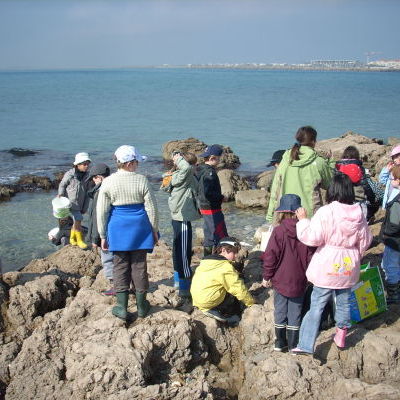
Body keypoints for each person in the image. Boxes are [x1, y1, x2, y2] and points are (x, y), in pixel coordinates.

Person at [291, 173, 372, 355]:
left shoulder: (326, 211)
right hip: (348, 263)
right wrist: (354, 255)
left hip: (328, 263)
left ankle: (305, 345)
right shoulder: (359, 212)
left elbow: (312, 238)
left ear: (332, 190)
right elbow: (365, 240)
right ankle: (341, 334)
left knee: (317, 305)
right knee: (343, 301)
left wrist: (303, 220)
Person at [97, 145, 159, 321]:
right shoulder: (142, 180)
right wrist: (154, 230)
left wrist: (102, 235)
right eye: (137, 161)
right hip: (140, 226)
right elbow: (152, 208)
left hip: (117, 227)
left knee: (120, 266)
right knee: (139, 266)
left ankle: (121, 307)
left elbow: (101, 211)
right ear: (130, 163)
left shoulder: (108, 181)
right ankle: (141, 307)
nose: (138, 164)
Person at [261, 194, 315, 352]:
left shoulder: (278, 231)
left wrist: (266, 276)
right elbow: (311, 256)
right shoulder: (306, 230)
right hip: (299, 279)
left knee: (280, 310)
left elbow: (271, 256)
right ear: (298, 212)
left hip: (280, 279)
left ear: (282, 212)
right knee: (295, 312)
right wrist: (310, 277)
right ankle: (293, 344)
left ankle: (280, 342)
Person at [266, 126, 334, 224]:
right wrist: (331, 162)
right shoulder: (319, 162)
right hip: (310, 217)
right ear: (314, 141)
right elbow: (329, 184)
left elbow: (275, 189)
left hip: (286, 215)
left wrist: (270, 215)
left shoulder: (285, 159)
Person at [191, 237, 254, 323]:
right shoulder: (225, 267)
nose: (236, 255)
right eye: (234, 252)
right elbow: (238, 288)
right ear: (223, 250)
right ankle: (225, 315)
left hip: (197, 300)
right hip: (208, 302)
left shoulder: (207, 261)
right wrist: (251, 303)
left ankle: (208, 307)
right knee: (234, 289)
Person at [166, 151, 201, 297]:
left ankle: (177, 280)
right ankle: (184, 285)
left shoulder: (175, 176)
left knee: (177, 248)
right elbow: (186, 169)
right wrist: (178, 158)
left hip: (178, 216)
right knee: (184, 251)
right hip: (182, 217)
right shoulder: (184, 174)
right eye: (194, 164)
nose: (196, 167)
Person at [86, 163, 115, 295]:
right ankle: (123, 284)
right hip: (114, 231)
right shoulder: (113, 187)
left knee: (108, 259)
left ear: (99, 178)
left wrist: (94, 238)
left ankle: (116, 286)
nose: (93, 181)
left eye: (93, 178)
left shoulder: (99, 193)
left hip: (104, 234)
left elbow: (97, 217)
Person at [336, 145, 383, 221]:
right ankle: (368, 217)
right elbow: (367, 187)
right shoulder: (360, 169)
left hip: (341, 202)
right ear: (357, 157)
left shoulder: (338, 169)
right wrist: (373, 199)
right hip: (358, 203)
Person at [196, 144, 228, 257]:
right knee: (220, 234)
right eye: (219, 158)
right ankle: (219, 258)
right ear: (212, 158)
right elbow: (208, 192)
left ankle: (207, 258)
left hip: (203, 207)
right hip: (212, 208)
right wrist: (221, 197)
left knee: (209, 234)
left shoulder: (199, 169)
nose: (219, 161)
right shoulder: (210, 173)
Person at [58, 152, 92, 249]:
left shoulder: (87, 177)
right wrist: (60, 194)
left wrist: (85, 207)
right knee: (78, 219)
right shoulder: (70, 174)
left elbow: (87, 193)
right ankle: (79, 240)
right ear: (77, 165)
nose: (86, 166)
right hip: (69, 203)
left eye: (87, 164)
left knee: (77, 222)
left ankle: (72, 238)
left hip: (80, 204)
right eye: (84, 164)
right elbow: (62, 185)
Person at [380, 164, 400, 304]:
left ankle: (393, 294)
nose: (391, 181)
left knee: (390, 265)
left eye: (392, 178)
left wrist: (385, 234)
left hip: (394, 240)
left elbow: (394, 224)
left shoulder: (397, 201)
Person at [379, 144, 400, 209]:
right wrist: (386, 170)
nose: (394, 159)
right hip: (389, 201)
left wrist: (398, 186)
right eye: (393, 157)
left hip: (397, 203)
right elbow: (382, 181)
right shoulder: (392, 170)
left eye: (397, 156)